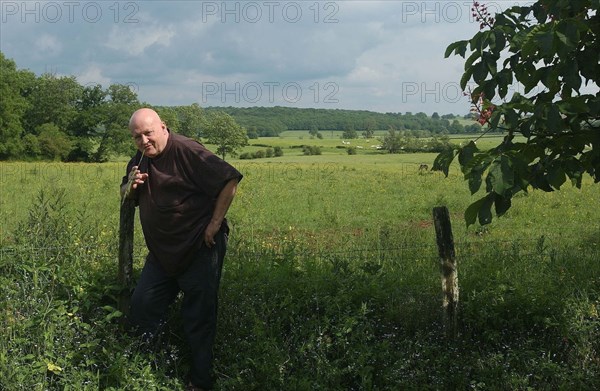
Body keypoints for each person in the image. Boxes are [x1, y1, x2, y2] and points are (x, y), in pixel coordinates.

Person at [120, 108, 242, 391]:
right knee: (142, 308)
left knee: (198, 316)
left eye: (148, 133)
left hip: (199, 248)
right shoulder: (139, 160)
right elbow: (125, 192)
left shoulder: (186, 150)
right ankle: (154, 369)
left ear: (163, 127)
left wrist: (215, 222)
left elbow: (230, 180)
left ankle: (200, 381)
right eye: (137, 137)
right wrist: (130, 185)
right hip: (162, 255)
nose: (144, 141)